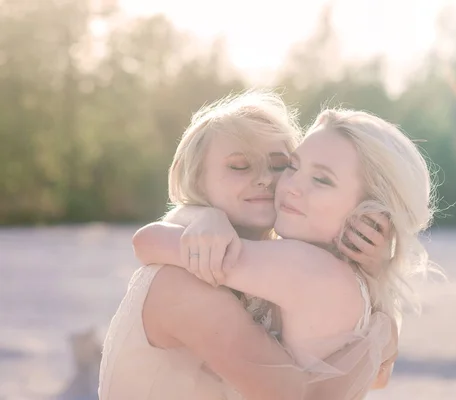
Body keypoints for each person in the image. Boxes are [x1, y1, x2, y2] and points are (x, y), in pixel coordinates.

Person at [98, 90, 395, 400]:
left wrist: (370, 272)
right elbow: (291, 394)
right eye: (240, 166)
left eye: (280, 165)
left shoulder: (276, 265)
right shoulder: (180, 281)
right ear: (198, 181)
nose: (265, 178)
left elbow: (378, 377)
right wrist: (379, 331)